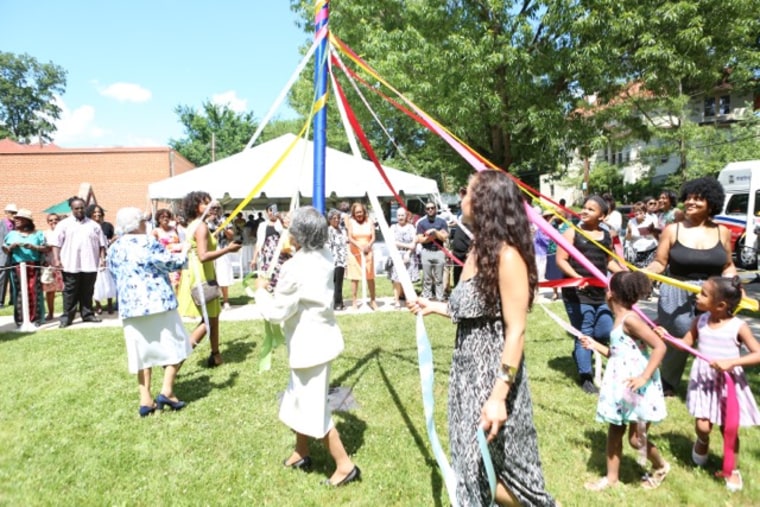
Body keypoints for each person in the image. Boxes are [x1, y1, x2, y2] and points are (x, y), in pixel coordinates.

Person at [410, 171, 556, 506]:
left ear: (484, 201)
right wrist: (432, 305)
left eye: (467, 190)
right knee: (469, 464)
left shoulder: (507, 256)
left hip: (493, 379)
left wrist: (499, 395)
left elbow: (516, 329)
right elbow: (469, 309)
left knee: (510, 475)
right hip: (465, 376)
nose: (461, 196)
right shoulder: (477, 250)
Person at [254, 206, 361, 487]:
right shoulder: (325, 256)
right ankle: (301, 451)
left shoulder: (294, 267)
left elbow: (277, 312)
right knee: (299, 398)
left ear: (299, 234)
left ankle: (344, 466)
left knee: (312, 408)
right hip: (320, 341)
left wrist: (260, 291)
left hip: (309, 347)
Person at [656, 276, 760, 492]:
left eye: (703, 294)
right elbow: (686, 344)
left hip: (728, 384)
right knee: (702, 425)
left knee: (728, 429)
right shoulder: (700, 321)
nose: (697, 295)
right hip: (704, 382)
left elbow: (757, 354)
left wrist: (732, 362)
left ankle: (732, 469)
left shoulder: (738, 327)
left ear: (721, 305)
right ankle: (702, 441)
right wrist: (667, 337)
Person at [645, 177, 736, 396]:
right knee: (679, 333)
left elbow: (728, 265)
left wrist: (733, 282)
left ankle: (711, 379)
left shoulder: (722, 232)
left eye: (698, 199)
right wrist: (643, 276)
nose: (690, 202)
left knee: (712, 335)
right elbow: (659, 262)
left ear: (711, 204)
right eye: (688, 198)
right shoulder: (672, 230)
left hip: (711, 292)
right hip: (676, 291)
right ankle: (668, 380)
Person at [580, 271, 669, 491]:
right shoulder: (618, 319)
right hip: (621, 386)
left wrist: (644, 377)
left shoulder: (631, 320)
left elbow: (660, 347)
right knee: (614, 430)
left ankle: (660, 466)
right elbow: (617, 353)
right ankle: (611, 479)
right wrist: (594, 345)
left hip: (637, 386)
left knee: (637, 439)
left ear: (610, 293)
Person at [108, 207, 192, 418]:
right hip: (158, 303)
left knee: (140, 355)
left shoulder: (114, 248)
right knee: (178, 345)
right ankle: (167, 391)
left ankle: (145, 399)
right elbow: (171, 263)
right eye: (143, 221)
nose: (146, 224)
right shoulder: (147, 242)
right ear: (137, 224)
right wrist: (185, 250)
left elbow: (113, 273)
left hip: (130, 307)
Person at [556, 195, 623, 394]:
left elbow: (608, 261)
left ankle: (581, 352)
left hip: (600, 292)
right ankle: (585, 375)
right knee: (584, 331)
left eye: (591, 209)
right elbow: (561, 260)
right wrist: (578, 278)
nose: (584, 211)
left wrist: (623, 273)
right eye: (584, 208)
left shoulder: (606, 236)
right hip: (576, 291)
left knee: (604, 330)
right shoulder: (571, 232)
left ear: (602, 217)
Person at [176, 191, 241, 367]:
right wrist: (228, 250)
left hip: (199, 273)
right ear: (195, 207)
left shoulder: (194, 225)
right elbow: (203, 255)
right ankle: (178, 358)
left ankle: (216, 355)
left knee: (212, 317)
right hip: (201, 275)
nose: (210, 206)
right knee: (208, 320)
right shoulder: (201, 227)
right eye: (205, 204)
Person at [51, 197, 107, 328]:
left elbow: (102, 244)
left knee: (87, 291)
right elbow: (55, 244)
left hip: (90, 264)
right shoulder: (63, 224)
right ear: (71, 209)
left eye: (82, 207)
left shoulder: (94, 225)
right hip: (70, 264)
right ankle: (67, 317)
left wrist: (102, 259)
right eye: (76, 208)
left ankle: (87, 314)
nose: (80, 210)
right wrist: (56, 259)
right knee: (70, 291)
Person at [2, 208, 49, 326]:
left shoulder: (38, 234)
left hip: (34, 265)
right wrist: (11, 247)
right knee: (19, 292)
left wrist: (34, 247)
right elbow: (5, 250)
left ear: (27, 221)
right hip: (17, 266)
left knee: (34, 291)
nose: (16, 220)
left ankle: (36, 319)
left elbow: (46, 248)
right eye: (15, 218)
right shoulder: (11, 234)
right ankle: (20, 320)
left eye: (19, 218)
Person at [346, 202, 377, 310]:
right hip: (355, 252)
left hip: (368, 252)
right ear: (353, 214)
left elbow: (373, 237)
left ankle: (373, 301)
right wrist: (358, 245)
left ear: (364, 212)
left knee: (370, 277)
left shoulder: (370, 221)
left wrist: (368, 245)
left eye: (360, 212)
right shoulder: (351, 222)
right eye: (356, 212)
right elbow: (350, 237)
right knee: (354, 278)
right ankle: (354, 302)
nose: (359, 214)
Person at [416, 201, 449, 301]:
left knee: (439, 278)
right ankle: (427, 297)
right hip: (426, 251)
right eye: (428, 208)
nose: (430, 210)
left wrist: (434, 231)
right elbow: (420, 239)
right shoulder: (421, 223)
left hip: (439, 252)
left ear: (436, 209)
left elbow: (444, 237)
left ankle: (440, 297)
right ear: (425, 210)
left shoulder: (442, 222)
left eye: (432, 208)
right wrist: (433, 237)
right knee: (427, 278)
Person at [86, 204, 117, 315]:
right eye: (94, 212)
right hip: (93, 258)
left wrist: (112, 241)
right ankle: (98, 304)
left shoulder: (107, 226)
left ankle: (109, 303)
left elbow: (113, 238)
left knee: (108, 281)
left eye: (99, 212)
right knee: (96, 282)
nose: (97, 214)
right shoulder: (87, 226)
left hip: (106, 257)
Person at [388, 208, 418, 308]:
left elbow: (414, 243)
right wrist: (407, 245)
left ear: (406, 216)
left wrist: (408, 253)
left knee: (408, 280)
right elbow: (392, 242)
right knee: (396, 280)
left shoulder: (411, 227)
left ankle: (408, 300)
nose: (400, 217)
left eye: (402, 215)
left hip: (409, 255)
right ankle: (397, 301)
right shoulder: (393, 227)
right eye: (399, 215)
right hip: (396, 255)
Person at [207, 205, 235, 310]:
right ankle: (213, 300)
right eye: (212, 208)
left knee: (223, 275)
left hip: (222, 249)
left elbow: (231, 235)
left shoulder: (225, 220)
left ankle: (226, 301)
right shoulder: (205, 221)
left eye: (217, 208)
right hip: (209, 250)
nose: (215, 210)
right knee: (210, 276)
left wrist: (222, 226)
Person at [151, 208, 182, 291]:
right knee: (170, 284)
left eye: (167, 216)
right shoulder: (156, 231)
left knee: (179, 283)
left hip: (177, 260)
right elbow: (151, 247)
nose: (165, 218)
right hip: (165, 261)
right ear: (158, 219)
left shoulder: (174, 229)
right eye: (162, 216)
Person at [42, 213, 64, 320]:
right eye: (51, 220)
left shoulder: (64, 232)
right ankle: (50, 313)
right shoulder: (44, 234)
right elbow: (41, 248)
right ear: (48, 222)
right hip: (49, 265)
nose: (53, 222)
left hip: (64, 265)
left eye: (56, 219)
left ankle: (67, 312)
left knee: (66, 290)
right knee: (50, 291)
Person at [251, 203, 284, 276]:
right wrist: (254, 259)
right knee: (266, 275)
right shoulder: (262, 225)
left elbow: (286, 230)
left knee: (279, 275)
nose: (272, 213)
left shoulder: (280, 223)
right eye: (270, 210)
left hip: (279, 254)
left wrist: (280, 218)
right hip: (266, 255)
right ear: (267, 212)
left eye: (274, 210)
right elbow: (259, 243)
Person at [625, 202, 658, 268]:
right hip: (636, 252)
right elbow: (628, 239)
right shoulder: (631, 221)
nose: (637, 213)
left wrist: (650, 232)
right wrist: (629, 231)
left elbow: (656, 235)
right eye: (636, 211)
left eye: (640, 211)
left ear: (644, 212)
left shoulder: (650, 220)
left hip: (650, 250)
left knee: (648, 272)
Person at [327, 208, 347, 311]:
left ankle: (339, 302)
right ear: (330, 219)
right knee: (332, 282)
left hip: (341, 260)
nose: (336, 220)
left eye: (338, 218)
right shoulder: (328, 230)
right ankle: (336, 302)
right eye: (334, 218)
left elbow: (344, 244)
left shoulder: (342, 230)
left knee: (339, 282)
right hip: (332, 259)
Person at [0, 203, 18, 307]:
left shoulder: (17, 226)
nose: (14, 215)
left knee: (15, 279)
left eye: (15, 213)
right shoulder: (1, 224)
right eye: (11, 212)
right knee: (2, 279)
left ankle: (13, 300)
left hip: (15, 256)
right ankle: (0, 302)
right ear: (6, 213)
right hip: (2, 256)